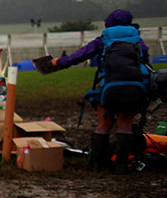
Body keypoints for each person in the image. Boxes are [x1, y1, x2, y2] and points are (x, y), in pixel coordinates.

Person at [53, 9, 151, 171]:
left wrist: (60, 62)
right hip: (134, 88)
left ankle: (97, 164)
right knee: (125, 125)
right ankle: (121, 165)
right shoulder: (138, 42)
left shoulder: (103, 40)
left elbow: (79, 55)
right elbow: (146, 65)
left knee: (104, 124)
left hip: (109, 89)